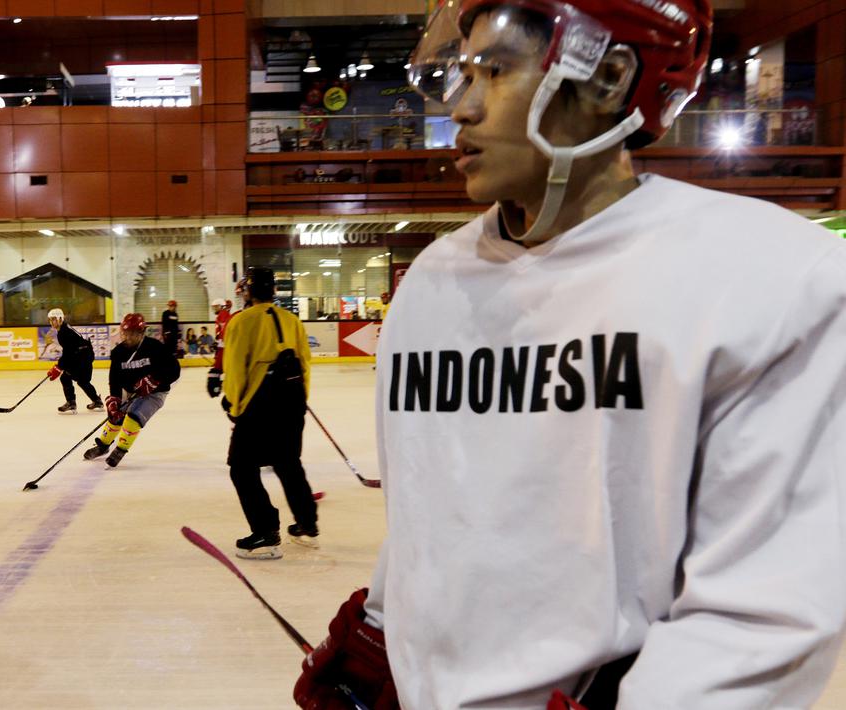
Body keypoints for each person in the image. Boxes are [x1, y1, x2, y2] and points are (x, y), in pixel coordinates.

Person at [295, 0, 846, 708]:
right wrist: (380, 629)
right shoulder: (433, 282)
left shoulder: (772, 278)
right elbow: (434, 518)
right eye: (462, 75)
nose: (461, 108)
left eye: (495, 71)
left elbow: (765, 611)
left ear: (609, 78)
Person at [222, 267, 317, 560]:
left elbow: (236, 369)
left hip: (258, 404)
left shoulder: (241, 321)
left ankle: (265, 531)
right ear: (273, 290)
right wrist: (300, 400)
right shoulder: (292, 320)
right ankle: (307, 522)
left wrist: (234, 405)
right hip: (292, 401)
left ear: (248, 291)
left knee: (241, 467)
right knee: (288, 463)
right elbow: (305, 363)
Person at [84, 313, 180, 468]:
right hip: (130, 391)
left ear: (142, 332)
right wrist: (114, 398)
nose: (128, 337)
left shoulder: (155, 347)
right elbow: (115, 379)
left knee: (133, 416)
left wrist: (154, 380)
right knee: (115, 416)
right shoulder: (118, 352)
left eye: (133, 333)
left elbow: (174, 370)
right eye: (126, 332)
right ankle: (103, 445)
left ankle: (121, 449)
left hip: (155, 393)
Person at [46, 307, 103, 413]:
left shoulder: (64, 332)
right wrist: (60, 366)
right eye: (50, 319)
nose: (52, 322)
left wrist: (59, 366)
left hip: (82, 357)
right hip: (83, 356)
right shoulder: (63, 330)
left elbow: (69, 352)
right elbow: (70, 352)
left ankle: (71, 403)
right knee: (83, 381)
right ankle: (97, 401)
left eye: (54, 319)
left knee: (66, 378)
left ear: (60, 319)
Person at [208, 298, 235, 397]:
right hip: (223, 346)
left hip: (224, 347)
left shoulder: (223, 314)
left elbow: (224, 331)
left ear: (221, 306)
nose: (214, 309)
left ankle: (216, 386)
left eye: (216, 307)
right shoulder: (221, 315)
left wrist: (218, 343)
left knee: (219, 366)